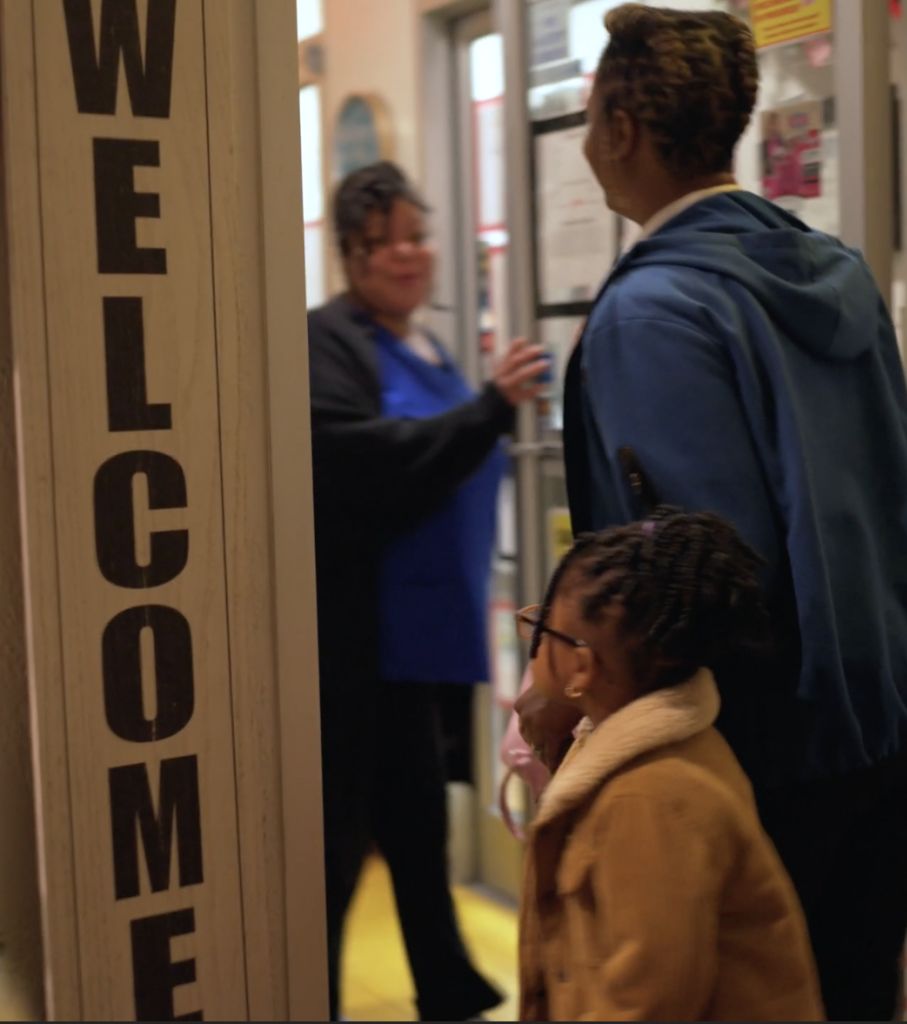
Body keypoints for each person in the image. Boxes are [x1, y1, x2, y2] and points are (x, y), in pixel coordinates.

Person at [517, 6, 907, 1021]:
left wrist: (566, 680)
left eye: (592, 113)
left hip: (800, 739)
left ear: (623, 132)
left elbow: (694, 574)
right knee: (856, 985)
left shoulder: (655, 311)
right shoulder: (827, 267)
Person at [308, 161, 547, 1022]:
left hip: (420, 639)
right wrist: (488, 407)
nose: (406, 255)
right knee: (337, 848)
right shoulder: (328, 339)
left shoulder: (428, 341)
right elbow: (362, 458)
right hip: (356, 642)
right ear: (348, 256)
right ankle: (311, 999)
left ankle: (446, 986)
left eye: (416, 234)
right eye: (384, 243)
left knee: (417, 828)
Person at [517, 508, 824, 1022]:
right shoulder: (636, 756)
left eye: (542, 625)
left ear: (581, 667)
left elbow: (649, 1001)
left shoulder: (650, 802)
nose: (533, 635)